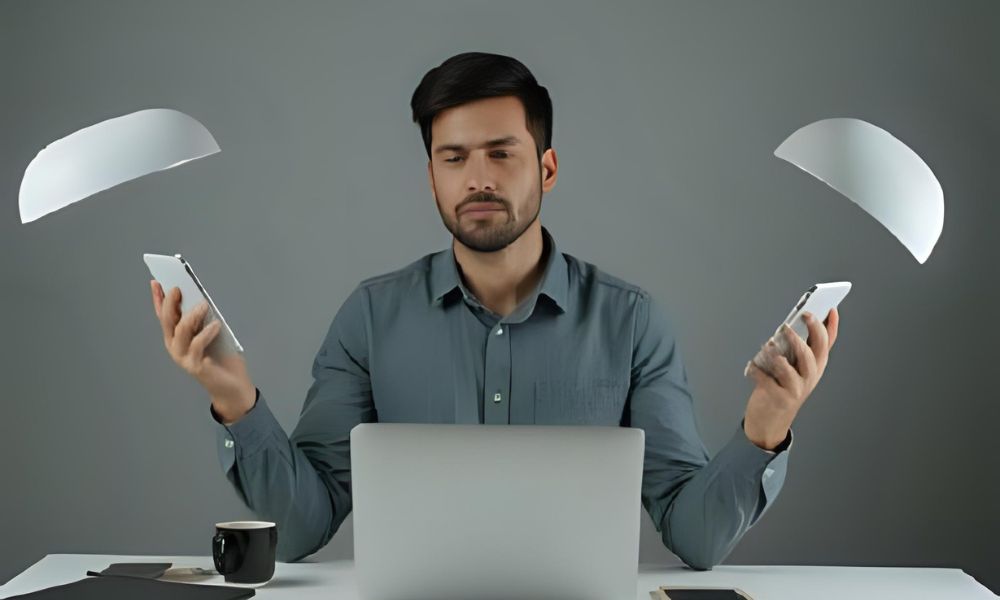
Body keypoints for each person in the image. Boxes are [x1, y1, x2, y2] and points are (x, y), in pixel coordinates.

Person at [150, 51, 840, 570]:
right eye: (453, 158)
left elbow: (694, 538)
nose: (477, 178)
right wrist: (236, 400)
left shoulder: (632, 323)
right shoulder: (369, 317)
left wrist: (765, 428)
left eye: (500, 154)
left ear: (547, 168)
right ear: (431, 177)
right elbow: (302, 530)